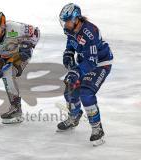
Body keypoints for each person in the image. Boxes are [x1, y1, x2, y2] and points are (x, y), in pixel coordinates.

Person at [57, 3, 113, 146]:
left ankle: (97, 129)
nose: (65, 24)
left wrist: (76, 71)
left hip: (100, 64)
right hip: (85, 62)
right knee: (70, 87)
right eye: (64, 21)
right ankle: (74, 116)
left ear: (76, 19)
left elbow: (92, 61)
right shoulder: (70, 29)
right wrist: (68, 54)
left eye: (68, 21)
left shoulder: (89, 32)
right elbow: (71, 43)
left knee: (86, 92)